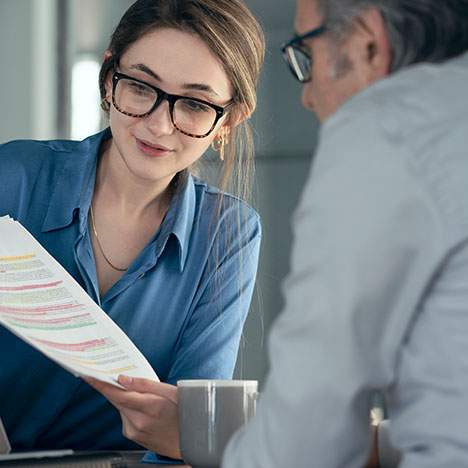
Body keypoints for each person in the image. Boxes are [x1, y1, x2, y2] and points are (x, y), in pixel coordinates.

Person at [0, 0, 264, 455]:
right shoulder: (13, 177)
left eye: (196, 104)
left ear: (229, 120)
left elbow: (195, 428)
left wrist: (186, 431)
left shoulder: (228, 232)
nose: (159, 125)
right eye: (141, 87)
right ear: (109, 79)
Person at [221, 0, 468, 467]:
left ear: (368, 45)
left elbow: (306, 439)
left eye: (305, 56)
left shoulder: (385, 128)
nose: (306, 95)